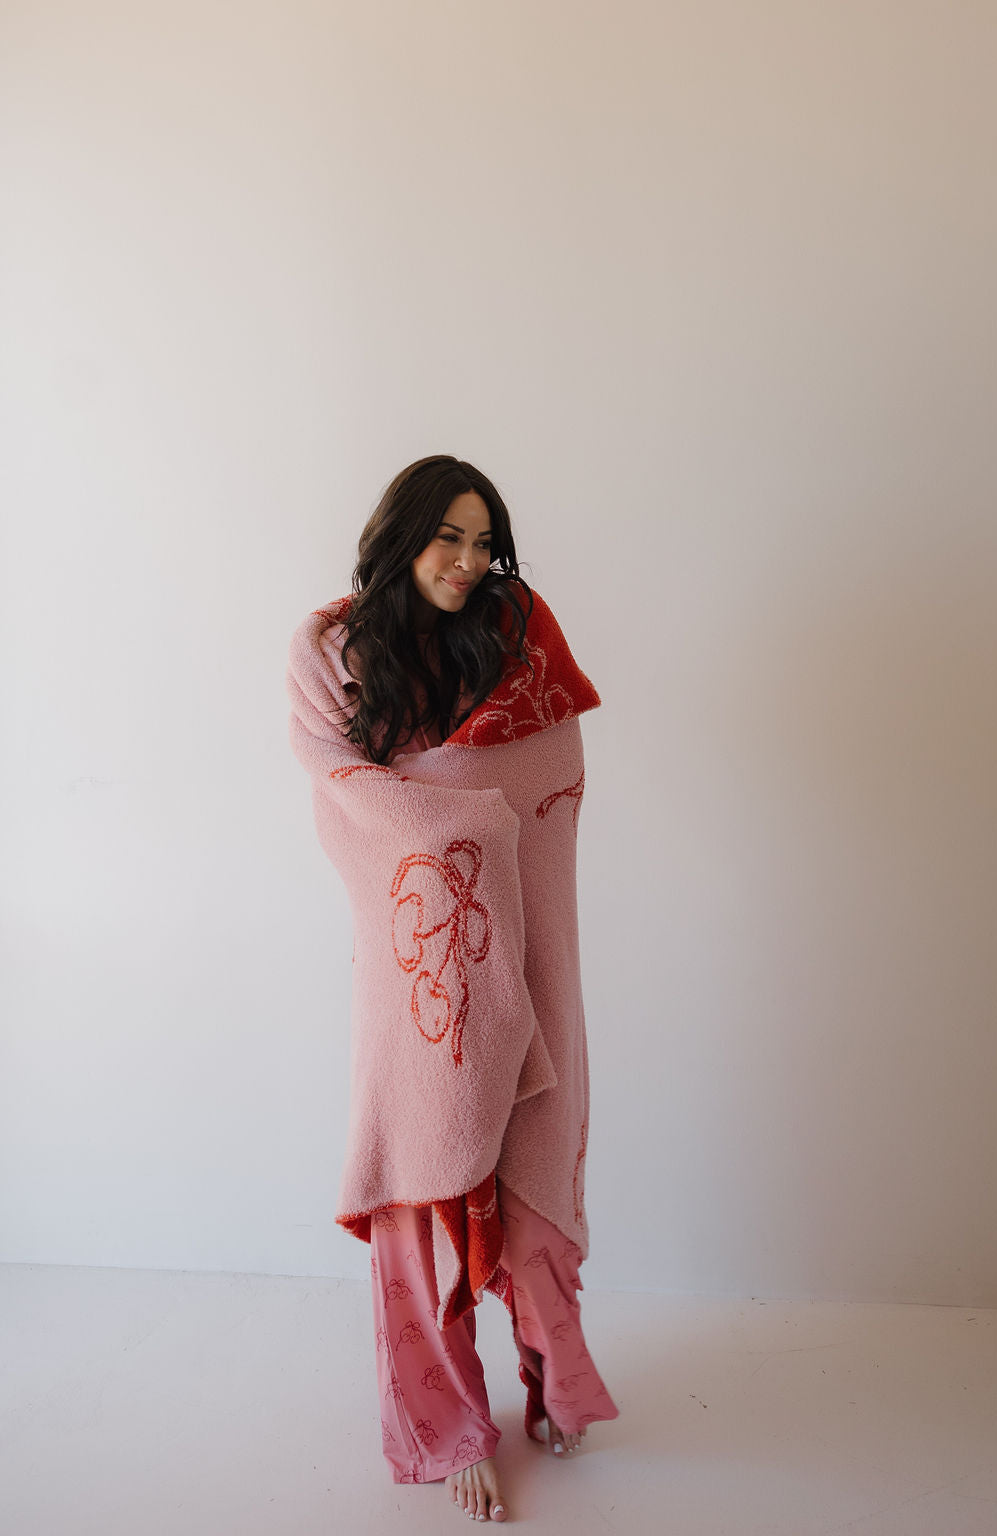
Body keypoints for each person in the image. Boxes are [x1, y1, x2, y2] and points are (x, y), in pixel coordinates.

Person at [287, 456, 618, 1522]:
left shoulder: (516, 638)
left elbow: (546, 781)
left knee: (529, 1189)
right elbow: (348, 790)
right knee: (425, 1196)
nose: (472, 563)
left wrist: (474, 805)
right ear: (402, 534)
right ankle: (445, 1427)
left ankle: (554, 1379)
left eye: (487, 542)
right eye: (451, 540)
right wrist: (466, 815)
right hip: (419, 963)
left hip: (525, 949)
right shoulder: (329, 647)